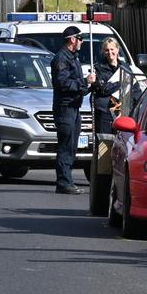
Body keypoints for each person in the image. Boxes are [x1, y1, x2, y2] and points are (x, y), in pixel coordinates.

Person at [51, 25, 92, 195]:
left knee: (72, 145)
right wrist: (84, 82)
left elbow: (75, 83)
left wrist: (88, 85)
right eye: (80, 38)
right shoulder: (62, 58)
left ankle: (67, 180)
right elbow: (62, 83)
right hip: (65, 108)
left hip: (75, 107)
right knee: (66, 145)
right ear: (73, 39)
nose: (82, 42)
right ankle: (63, 182)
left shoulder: (72, 57)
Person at [91, 37, 124, 132]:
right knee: (104, 143)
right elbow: (103, 88)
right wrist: (121, 83)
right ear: (103, 52)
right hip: (104, 113)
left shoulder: (125, 68)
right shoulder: (98, 68)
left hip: (122, 112)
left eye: (112, 49)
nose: (110, 52)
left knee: (121, 143)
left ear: (117, 50)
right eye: (107, 50)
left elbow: (134, 88)